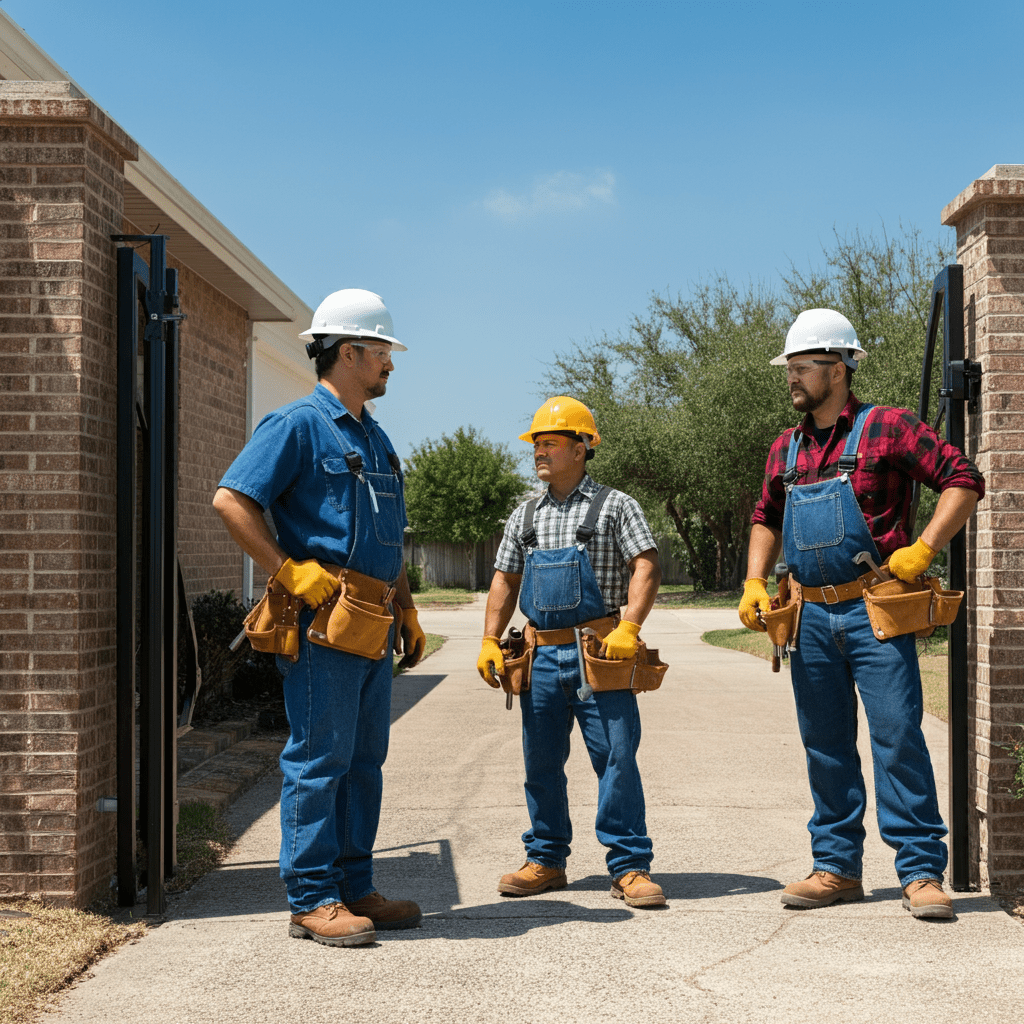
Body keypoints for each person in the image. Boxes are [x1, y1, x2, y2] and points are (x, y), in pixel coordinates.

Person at [739, 308, 985, 920]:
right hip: (808, 618)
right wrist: (753, 580)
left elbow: (963, 478)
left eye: (802, 367)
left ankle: (922, 872)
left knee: (898, 736)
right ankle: (836, 868)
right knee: (824, 744)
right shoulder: (785, 447)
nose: (792, 379)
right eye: (789, 368)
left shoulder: (890, 427)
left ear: (840, 368)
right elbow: (766, 516)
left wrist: (925, 547)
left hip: (876, 612)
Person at [213, 288, 426, 947]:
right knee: (318, 759)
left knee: (363, 760)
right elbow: (231, 499)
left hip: (374, 618)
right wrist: (286, 569)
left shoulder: (376, 436)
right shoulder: (296, 425)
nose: (391, 361)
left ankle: (354, 886)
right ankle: (311, 899)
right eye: (383, 350)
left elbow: (387, 532)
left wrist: (408, 608)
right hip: (324, 622)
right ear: (350, 350)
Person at [477, 397, 666, 908]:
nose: (540, 452)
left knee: (617, 759)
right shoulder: (526, 514)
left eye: (551, 443)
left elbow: (645, 565)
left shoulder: (616, 506)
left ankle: (629, 866)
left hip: (599, 655)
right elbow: (504, 579)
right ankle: (545, 860)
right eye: (536, 444)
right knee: (540, 762)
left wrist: (630, 626)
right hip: (539, 657)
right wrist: (490, 639)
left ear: (583, 447)